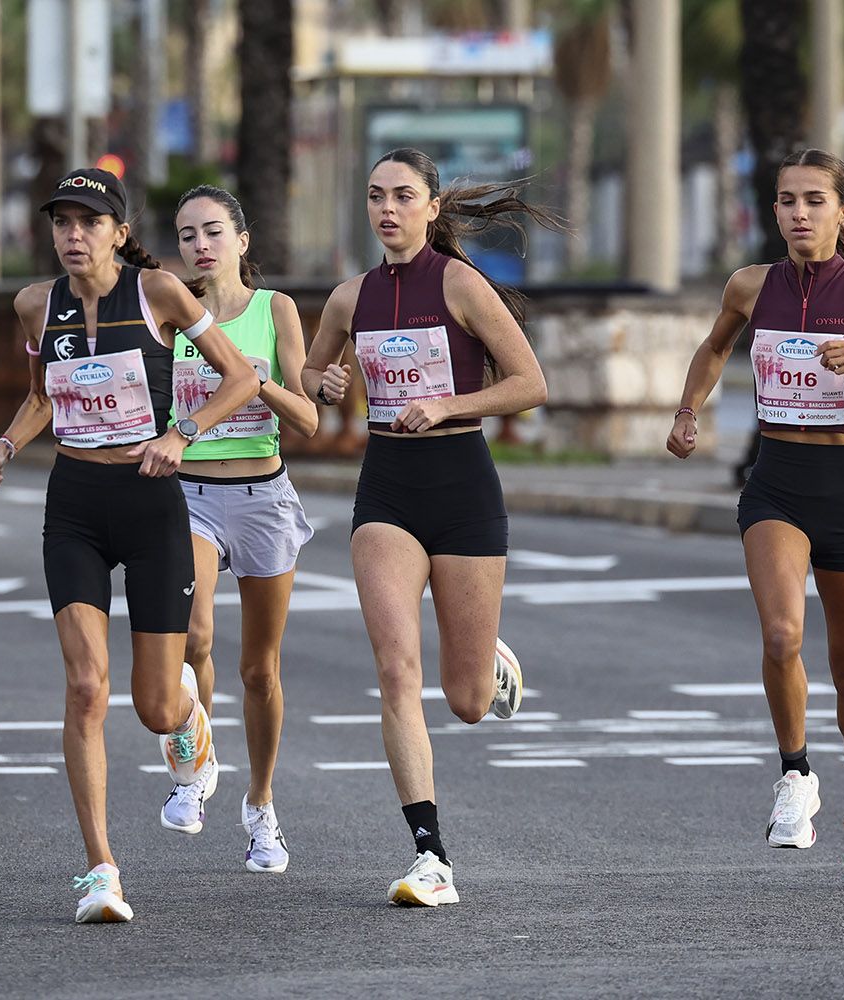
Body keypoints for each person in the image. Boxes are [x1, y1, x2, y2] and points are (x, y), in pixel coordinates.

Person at [0, 167, 257, 923]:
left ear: (119, 233)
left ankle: (190, 721)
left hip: (151, 503)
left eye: (89, 222)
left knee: (155, 707)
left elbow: (238, 378)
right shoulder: (35, 305)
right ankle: (100, 869)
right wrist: (2, 449)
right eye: (62, 222)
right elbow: (40, 397)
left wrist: (181, 434)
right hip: (77, 506)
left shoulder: (158, 295)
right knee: (86, 686)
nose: (73, 235)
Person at [667, 148, 844, 890]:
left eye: (815, 200)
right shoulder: (751, 285)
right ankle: (795, 775)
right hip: (776, 485)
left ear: (842, 213)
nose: (799, 213)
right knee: (783, 633)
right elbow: (715, 344)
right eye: (787, 200)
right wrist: (688, 412)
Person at [300, 148, 549, 908]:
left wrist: (448, 404)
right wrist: (324, 379)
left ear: (432, 207)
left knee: (467, 700)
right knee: (395, 670)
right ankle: (429, 854)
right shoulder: (350, 299)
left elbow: (530, 384)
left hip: (462, 488)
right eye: (376, 196)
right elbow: (310, 379)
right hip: (388, 493)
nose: (388, 210)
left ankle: (488, 660)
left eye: (404, 196)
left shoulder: (463, 286)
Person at [158, 185, 319, 871]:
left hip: (263, 496)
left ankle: (260, 806)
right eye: (189, 234)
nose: (201, 245)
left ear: (242, 241)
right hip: (188, 494)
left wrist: (258, 383)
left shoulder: (274, 310)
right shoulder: (170, 319)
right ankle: (196, 770)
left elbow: (308, 420)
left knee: (260, 670)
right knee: (193, 635)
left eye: (214, 231)